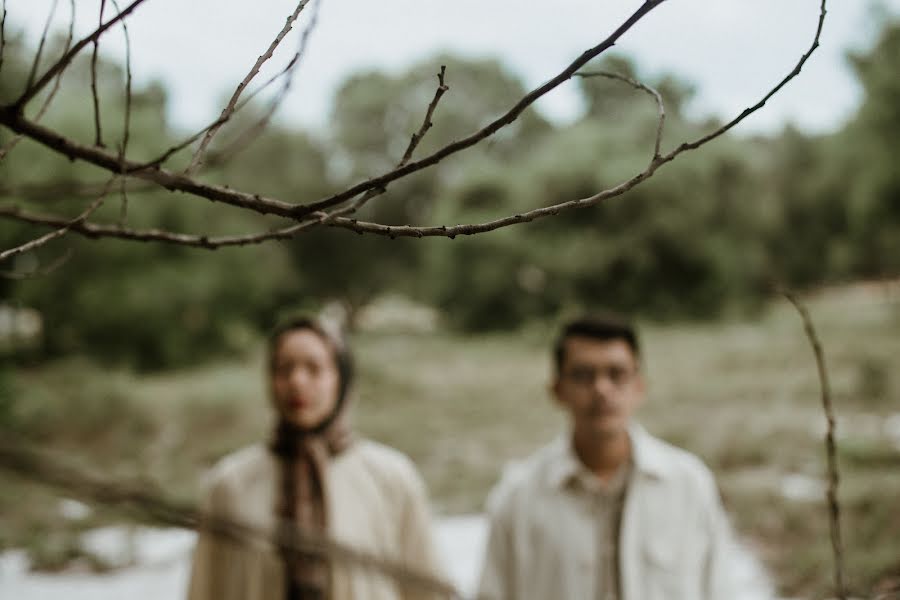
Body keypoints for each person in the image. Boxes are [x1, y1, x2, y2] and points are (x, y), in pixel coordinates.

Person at [477, 313, 771, 600]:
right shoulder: (519, 496)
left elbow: (719, 589)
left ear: (639, 385)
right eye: (583, 375)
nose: (601, 389)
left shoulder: (687, 484)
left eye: (616, 374)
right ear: (558, 390)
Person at [187, 315, 446, 600]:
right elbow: (205, 591)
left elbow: (427, 590)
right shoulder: (231, 485)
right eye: (284, 369)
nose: (297, 382)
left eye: (314, 368)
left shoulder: (391, 479)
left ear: (341, 378)